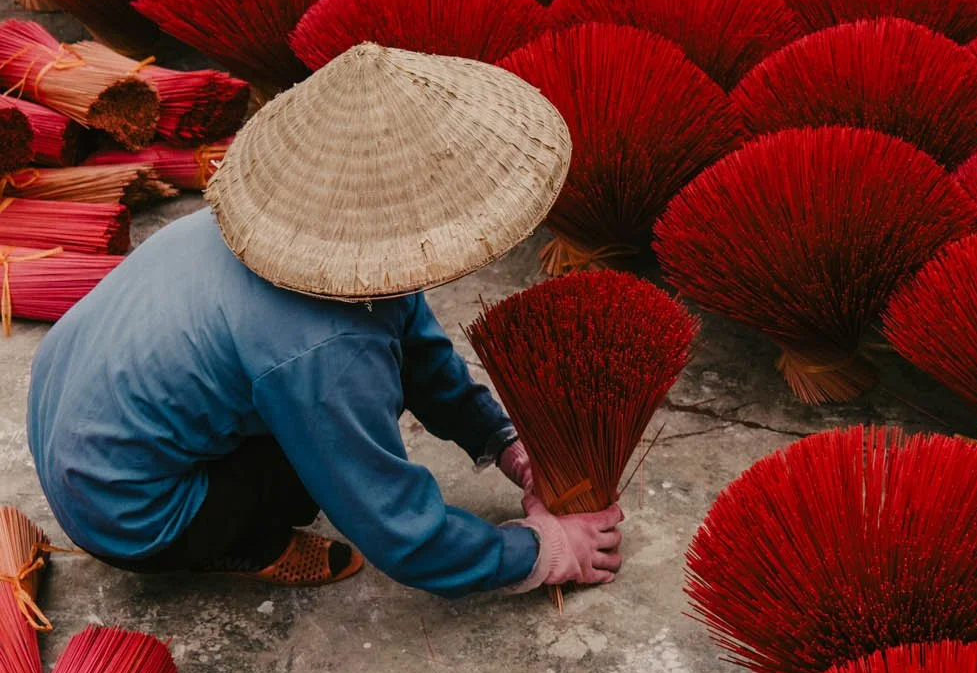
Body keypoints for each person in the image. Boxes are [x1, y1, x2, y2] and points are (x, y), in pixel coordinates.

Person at [27, 43, 623, 594]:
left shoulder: (286, 229)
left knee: (332, 403)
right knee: (306, 479)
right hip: (121, 506)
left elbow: (414, 342)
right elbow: (399, 529)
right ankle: (243, 544)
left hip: (65, 408)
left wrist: (503, 443)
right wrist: (538, 553)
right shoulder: (327, 347)